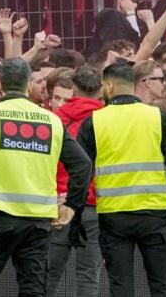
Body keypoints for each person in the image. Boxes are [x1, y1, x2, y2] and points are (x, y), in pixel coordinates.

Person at [0, 58, 91, 297]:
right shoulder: (51, 119)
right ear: (29, 87)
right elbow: (82, 164)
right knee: (33, 289)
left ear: (0, 88)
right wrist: (72, 206)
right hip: (38, 222)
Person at [74, 60, 166, 297]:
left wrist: (75, 213)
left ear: (108, 85)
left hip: (113, 218)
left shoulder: (94, 122)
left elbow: (80, 173)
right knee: (162, 285)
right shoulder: (159, 118)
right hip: (154, 215)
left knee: (120, 287)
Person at [46, 66, 105, 297]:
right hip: (94, 206)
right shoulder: (107, 120)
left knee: (47, 274)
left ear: (75, 89)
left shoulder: (53, 120)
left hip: (58, 205)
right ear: (101, 89)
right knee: (89, 275)